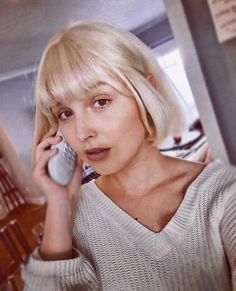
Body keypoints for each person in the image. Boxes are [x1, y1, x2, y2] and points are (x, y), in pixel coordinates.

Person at [22, 21, 236, 291]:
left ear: (145, 94)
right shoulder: (69, 219)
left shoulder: (224, 191)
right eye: (65, 113)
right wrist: (60, 204)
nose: (81, 132)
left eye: (100, 102)